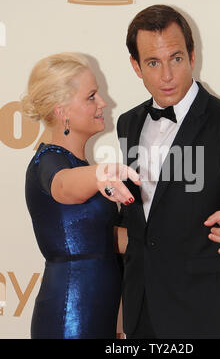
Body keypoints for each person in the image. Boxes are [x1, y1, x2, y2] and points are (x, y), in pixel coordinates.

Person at [99, 5, 220, 339]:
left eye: (176, 58)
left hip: (202, 312)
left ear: (192, 56)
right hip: (141, 307)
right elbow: (140, 213)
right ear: (136, 66)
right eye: (153, 62)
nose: (167, 75)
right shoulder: (129, 123)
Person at [22, 52, 139, 339]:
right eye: (91, 96)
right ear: (62, 111)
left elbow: (105, 239)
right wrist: (100, 175)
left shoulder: (80, 165)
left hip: (99, 314)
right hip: (69, 317)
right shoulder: (48, 162)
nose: (103, 103)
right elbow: (63, 187)